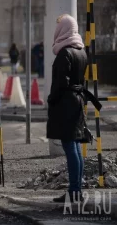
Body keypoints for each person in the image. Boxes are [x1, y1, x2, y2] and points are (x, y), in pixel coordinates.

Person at [47, 14, 101, 203]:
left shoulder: (65, 53)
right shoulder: (80, 51)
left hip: (66, 102)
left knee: (70, 146)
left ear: (62, 30)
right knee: (76, 146)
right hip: (77, 100)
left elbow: (61, 82)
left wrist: (51, 99)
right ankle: (76, 189)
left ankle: (75, 191)